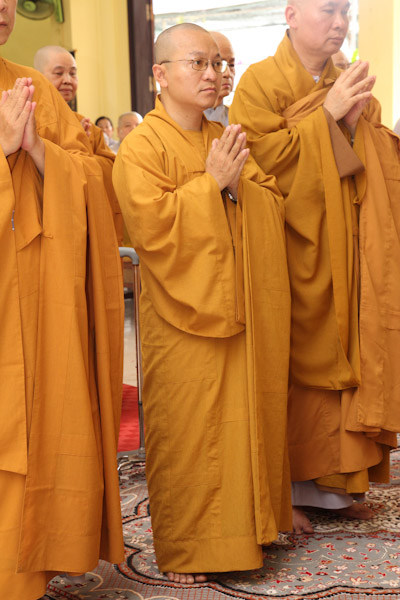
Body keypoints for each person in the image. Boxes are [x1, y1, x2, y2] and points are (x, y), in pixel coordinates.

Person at [113, 22, 292, 584]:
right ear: (160, 74)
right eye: (198, 63)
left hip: (239, 312)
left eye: (218, 63)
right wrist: (210, 185)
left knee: (241, 426)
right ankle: (189, 550)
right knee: (189, 433)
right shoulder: (142, 146)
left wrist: (235, 185)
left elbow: (270, 203)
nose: (213, 74)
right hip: (181, 320)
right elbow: (151, 227)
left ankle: (246, 535)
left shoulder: (225, 138)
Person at [230, 0, 400, 534]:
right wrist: (326, 117)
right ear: (291, 14)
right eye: (328, 10)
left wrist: (352, 125)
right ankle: (287, 490)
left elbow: (370, 157)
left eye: (345, 11)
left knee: (348, 351)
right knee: (294, 359)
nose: (340, 23)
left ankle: (338, 486)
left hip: (344, 243)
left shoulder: (346, 78)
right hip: (288, 243)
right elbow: (258, 160)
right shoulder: (258, 83)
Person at [0, 3, 124, 599]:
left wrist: (37, 151)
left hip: (36, 294)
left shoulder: (32, 88)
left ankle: (23, 574)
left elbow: (95, 176)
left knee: (42, 420)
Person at [34, 46, 124, 244]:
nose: (67, 80)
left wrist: (83, 148)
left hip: (86, 226)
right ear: (38, 77)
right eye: (59, 73)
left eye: (73, 74)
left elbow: (112, 172)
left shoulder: (87, 126)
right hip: (47, 225)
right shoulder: (31, 122)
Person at [204, 31, 235, 126]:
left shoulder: (237, 118)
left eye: (231, 65)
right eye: (219, 64)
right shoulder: (183, 120)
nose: (227, 73)